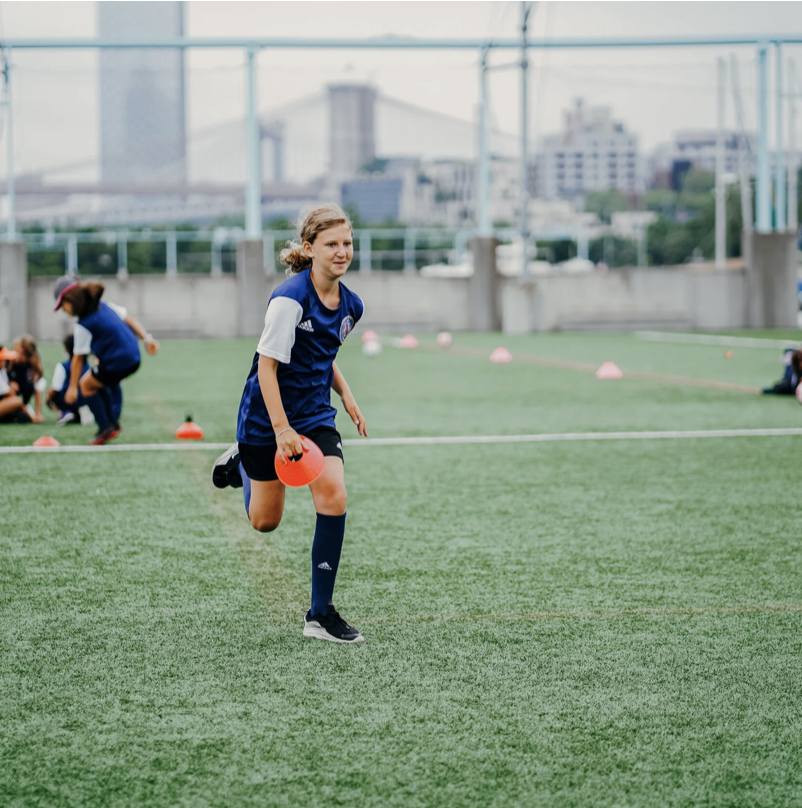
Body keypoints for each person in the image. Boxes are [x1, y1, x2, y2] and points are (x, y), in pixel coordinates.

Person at [212, 203, 368, 644]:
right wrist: (280, 431)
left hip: (315, 415)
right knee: (265, 522)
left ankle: (320, 614)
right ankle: (242, 462)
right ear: (309, 248)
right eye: (331, 244)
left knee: (334, 494)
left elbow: (323, 354)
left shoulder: (351, 305)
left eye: (347, 243)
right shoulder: (288, 300)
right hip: (266, 416)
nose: (341, 252)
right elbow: (267, 368)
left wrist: (347, 394)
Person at [53, 277, 160, 444]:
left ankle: (105, 428)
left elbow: (78, 358)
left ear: (72, 300)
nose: (63, 311)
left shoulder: (83, 325)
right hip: (133, 356)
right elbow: (129, 319)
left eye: (62, 306)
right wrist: (147, 339)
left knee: (85, 385)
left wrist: (73, 387)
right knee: (94, 381)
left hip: (119, 361)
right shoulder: (106, 306)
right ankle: (112, 424)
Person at [46, 334, 90, 425]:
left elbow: (55, 388)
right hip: (86, 399)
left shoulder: (63, 366)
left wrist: (48, 399)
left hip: (69, 399)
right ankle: (81, 412)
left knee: (53, 393)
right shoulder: (88, 367)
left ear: (67, 349)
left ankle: (66, 412)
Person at [8, 335, 46, 423]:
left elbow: (38, 388)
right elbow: (9, 393)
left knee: (29, 385)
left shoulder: (32, 367)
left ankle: (20, 411)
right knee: (14, 391)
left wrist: (37, 413)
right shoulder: (7, 363)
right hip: (8, 398)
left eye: (17, 351)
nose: (14, 353)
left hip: (19, 400)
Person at [0, 346, 36, 423]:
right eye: (3, 359)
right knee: (17, 401)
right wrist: (32, 417)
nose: (6, 361)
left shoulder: (2, 371)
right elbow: (10, 394)